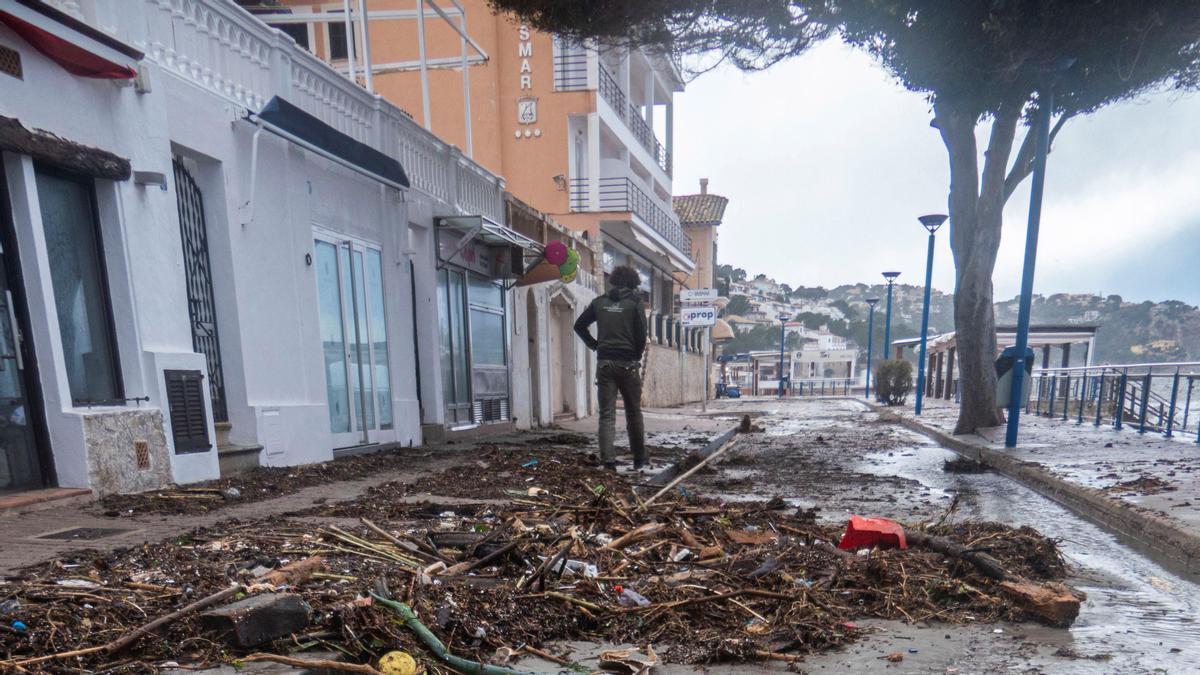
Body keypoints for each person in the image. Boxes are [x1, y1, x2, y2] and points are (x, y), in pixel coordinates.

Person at [573, 265, 647, 470]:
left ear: (613, 281)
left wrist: (595, 345)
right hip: (628, 364)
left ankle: (608, 460)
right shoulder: (635, 303)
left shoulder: (599, 302)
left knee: (607, 414)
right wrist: (636, 355)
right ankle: (639, 458)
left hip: (604, 363)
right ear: (633, 283)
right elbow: (641, 334)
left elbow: (579, 325)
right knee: (634, 412)